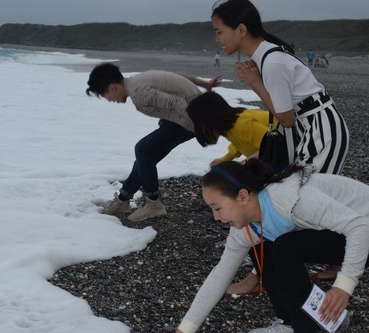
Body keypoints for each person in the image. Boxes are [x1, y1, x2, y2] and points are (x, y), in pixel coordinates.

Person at [151, 159, 369, 333]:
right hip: (349, 233)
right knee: (266, 248)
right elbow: (219, 276)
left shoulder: (291, 199)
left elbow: (360, 226)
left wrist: (343, 286)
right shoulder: (246, 228)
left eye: (218, 207)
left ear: (243, 196)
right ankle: (291, 323)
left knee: (285, 247)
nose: (215, 217)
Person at [211, 0, 350, 292]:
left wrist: (254, 82)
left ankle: (336, 261)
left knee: (305, 197)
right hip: (310, 129)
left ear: (241, 29)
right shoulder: (267, 57)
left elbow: (285, 117)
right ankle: (322, 265)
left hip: (320, 131)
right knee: (304, 196)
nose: (217, 38)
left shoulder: (270, 62)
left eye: (219, 31)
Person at [86, 63, 221, 222]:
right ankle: (123, 200)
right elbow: (176, 77)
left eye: (104, 94)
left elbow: (176, 103)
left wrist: (204, 126)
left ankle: (153, 204)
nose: (108, 100)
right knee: (146, 156)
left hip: (194, 119)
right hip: (191, 116)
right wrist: (204, 84)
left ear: (112, 87)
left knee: (143, 149)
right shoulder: (139, 79)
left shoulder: (139, 93)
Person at [186, 91, 268, 167]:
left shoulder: (242, 124)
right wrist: (225, 159)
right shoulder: (230, 126)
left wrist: (243, 164)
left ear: (210, 119)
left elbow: (273, 147)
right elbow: (240, 143)